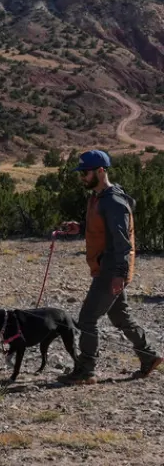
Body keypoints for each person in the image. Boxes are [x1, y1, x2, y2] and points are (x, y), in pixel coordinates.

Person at [59, 150, 161, 385]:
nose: (82, 177)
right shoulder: (99, 197)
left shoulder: (113, 200)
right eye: (81, 173)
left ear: (101, 171)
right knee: (121, 316)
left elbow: (122, 242)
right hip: (109, 268)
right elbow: (101, 226)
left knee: (87, 319)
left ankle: (86, 371)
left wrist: (119, 275)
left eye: (85, 173)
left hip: (111, 269)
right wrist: (81, 227)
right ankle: (150, 357)